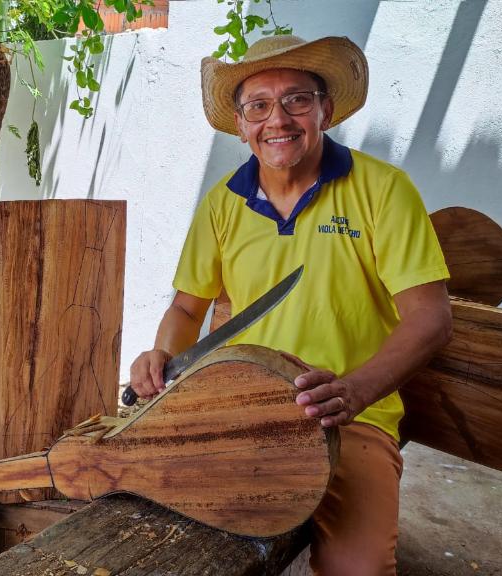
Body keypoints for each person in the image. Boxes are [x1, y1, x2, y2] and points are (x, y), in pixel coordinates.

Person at [129, 35, 453, 575]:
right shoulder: (223, 204)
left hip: (351, 418)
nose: (277, 119)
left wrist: (356, 389)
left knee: (360, 569)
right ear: (240, 123)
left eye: (296, 100)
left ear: (325, 109)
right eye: (258, 105)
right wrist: (162, 356)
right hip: (241, 407)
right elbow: (188, 310)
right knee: (168, 539)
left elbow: (431, 315)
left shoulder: (383, 190)